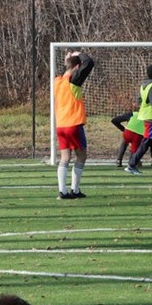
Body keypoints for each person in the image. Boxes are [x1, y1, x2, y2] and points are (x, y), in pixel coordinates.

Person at [53, 49, 95, 199]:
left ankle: (62, 192)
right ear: (78, 67)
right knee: (81, 156)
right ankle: (75, 190)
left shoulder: (57, 81)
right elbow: (89, 63)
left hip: (61, 125)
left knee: (65, 158)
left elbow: (69, 69)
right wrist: (79, 54)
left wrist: (68, 61)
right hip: (73, 124)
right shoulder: (73, 80)